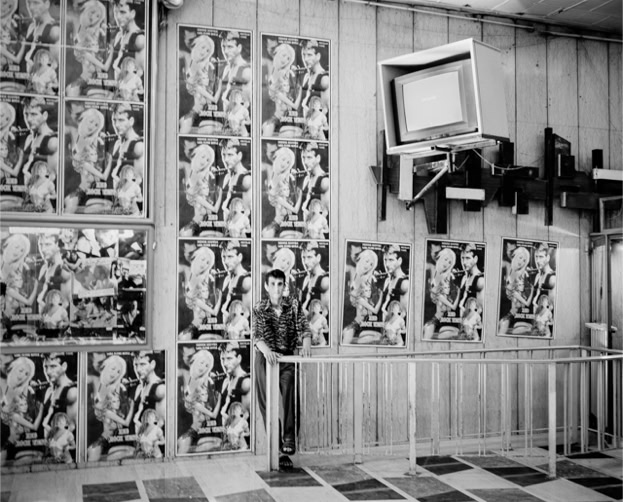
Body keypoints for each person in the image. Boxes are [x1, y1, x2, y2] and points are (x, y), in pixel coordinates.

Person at [253, 269, 312, 471]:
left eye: (280, 284)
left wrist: (306, 343)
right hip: (265, 357)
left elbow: (304, 328)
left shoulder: (293, 305)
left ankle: (289, 438)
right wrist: (267, 351)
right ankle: (277, 448)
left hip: (287, 357)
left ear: (284, 286)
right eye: (273, 284)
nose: (276, 289)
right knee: (266, 402)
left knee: (290, 394)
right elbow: (257, 336)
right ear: (266, 286)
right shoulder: (260, 308)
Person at [177, 349, 219, 454]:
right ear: (194, 361)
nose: (203, 367)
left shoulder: (207, 383)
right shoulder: (184, 376)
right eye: (201, 362)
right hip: (185, 428)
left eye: (207, 366)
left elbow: (211, 414)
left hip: (201, 431)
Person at [179, 246, 221, 340]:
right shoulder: (186, 271)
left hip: (197, 327)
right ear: (196, 257)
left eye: (208, 263)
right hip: (186, 323)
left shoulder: (205, 279)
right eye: (202, 259)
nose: (204, 264)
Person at [423, 247, 459, 340]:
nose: (447, 264)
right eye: (445, 259)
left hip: (449, 318)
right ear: (440, 257)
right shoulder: (436, 276)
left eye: (450, 262)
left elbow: (451, 304)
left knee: (439, 334)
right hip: (438, 317)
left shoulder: (449, 277)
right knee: (427, 328)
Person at [21, 97, 58, 186]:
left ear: (44, 115)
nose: (29, 119)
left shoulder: (52, 141)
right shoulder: (29, 138)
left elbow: (55, 176)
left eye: (33, 114)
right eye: (26, 114)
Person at [39, 353, 78, 435]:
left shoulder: (71, 392)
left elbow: (71, 428)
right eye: (45, 367)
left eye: (53, 366)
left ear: (64, 367)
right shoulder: (49, 390)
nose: (48, 372)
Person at [498, 246, 531, 335]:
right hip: (506, 310)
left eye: (524, 261)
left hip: (517, 314)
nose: (521, 262)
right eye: (520, 258)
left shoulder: (522, 276)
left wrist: (508, 316)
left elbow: (517, 304)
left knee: (503, 326)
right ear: (514, 256)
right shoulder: (510, 271)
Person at [131, 351, 165, 434]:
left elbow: (161, 423)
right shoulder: (139, 388)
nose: (138, 369)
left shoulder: (160, 388)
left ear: (152, 364)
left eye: (142, 364)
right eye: (136, 365)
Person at [216, 31, 251, 110]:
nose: (225, 51)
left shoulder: (246, 71)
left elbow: (248, 104)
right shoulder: (227, 69)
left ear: (239, 48)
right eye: (223, 47)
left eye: (230, 47)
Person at [218, 342, 251, 426]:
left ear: (239, 359)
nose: (225, 363)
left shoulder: (245, 382)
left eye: (229, 358)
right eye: (222, 359)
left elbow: (246, 418)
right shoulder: (226, 381)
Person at [36, 232, 72, 311]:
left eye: (48, 244)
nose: (43, 249)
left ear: (57, 245)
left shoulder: (63, 269)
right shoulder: (44, 268)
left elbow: (66, 303)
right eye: (40, 245)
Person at [220, 240, 251, 322]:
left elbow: (248, 316)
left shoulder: (246, 281)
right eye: (223, 257)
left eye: (230, 257)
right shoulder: (227, 279)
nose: (226, 261)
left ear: (239, 257)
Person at [220, 138, 251, 218]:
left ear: (239, 156)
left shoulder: (246, 179)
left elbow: (248, 213)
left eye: (230, 155)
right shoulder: (227, 177)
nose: (226, 159)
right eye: (223, 155)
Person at [297, 39, 329, 114]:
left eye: (309, 55)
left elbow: (325, 110)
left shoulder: (324, 79)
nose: (305, 59)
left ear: (318, 56)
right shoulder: (306, 77)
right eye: (303, 55)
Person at [379, 244, 409, 319]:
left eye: (391, 260)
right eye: (385, 260)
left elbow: (403, 315)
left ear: (399, 261)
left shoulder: (404, 283)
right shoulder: (387, 281)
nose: (387, 264)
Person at [299, 241, 329, 315]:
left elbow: (325, 314)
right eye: (303, 258)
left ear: (318, 258)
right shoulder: (306, 279)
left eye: (309, 257)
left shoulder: (324, 280)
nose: (305, 262)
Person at [457, 243, 485, 316]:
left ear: (475, 259)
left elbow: (480, 311)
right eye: (462, 258)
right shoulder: (464, 278)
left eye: (467, 258)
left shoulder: (480, 281)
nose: (464, 262)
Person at [529, 243, 556, 311]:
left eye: (541, 257)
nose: (537, 261)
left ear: (547, 258)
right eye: (536, 257)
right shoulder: (538, 276)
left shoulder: (552, 279)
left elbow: (552, 308)